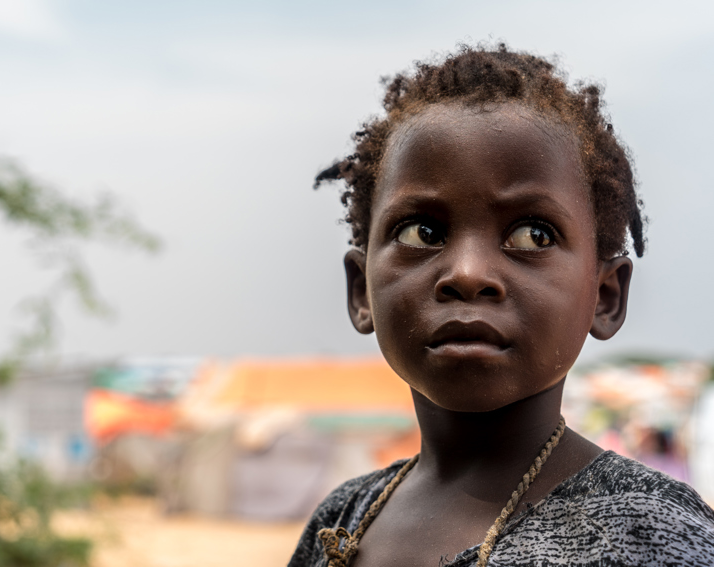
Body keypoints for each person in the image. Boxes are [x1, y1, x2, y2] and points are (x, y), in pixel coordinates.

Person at [289, 44, 714, 567]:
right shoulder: (343, 519)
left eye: (533, 235)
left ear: (605, 296)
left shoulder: (651, 535)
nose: (468, 273)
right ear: (361, 291)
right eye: (422, 232)